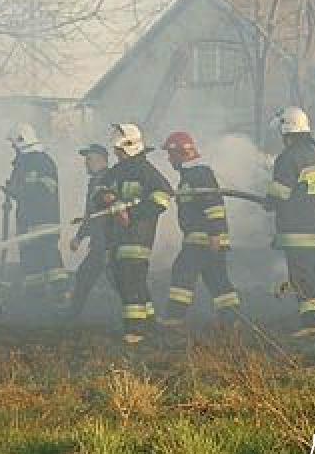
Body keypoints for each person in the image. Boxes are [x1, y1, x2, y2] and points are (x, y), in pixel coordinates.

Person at [95, 123, 172, 345]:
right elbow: (100, 191)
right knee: (128, 280)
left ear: (128, 146)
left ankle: (135, 330)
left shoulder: (145, 171)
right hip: (117, 237)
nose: (116, 155)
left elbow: (163, 197)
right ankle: (148, 321)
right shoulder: (116, 172)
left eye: (118, 151)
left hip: (138, 236)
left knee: (129, 279)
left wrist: (133, 214)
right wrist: (107, 197)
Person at [161, 131, 241, 327]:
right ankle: (231, 318)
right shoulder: (191, 175)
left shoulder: (199, 175)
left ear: (182, 154)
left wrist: (215, 234)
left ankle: (174, 317)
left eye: (171, 155)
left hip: (203, 238)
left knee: (182, 272)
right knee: (216, 278)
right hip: (205, 237)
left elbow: (213, 205)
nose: (169, 159)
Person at [264, 107, 315, 336]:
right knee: (313, 271)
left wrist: (269, 201)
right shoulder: (314, 155)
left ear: (286, 130)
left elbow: (281, 192)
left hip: (295, 226)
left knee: (301, 274)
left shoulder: (287, 158)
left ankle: (311, 324)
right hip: (313, 224)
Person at [3, 123, 69, 300]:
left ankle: (61, 292)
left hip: (43, 220)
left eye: (13, 144)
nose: (12, 147)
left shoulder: (42, 161)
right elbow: (22, 189)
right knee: (30, 260)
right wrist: (14, 192)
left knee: (49, 256)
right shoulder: (22, 164)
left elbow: (47, 189)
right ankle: (35, 297)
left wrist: (20, 191)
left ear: (21, 141)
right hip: (26, 221)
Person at [67, 143, 112, 318]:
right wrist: (79, 237)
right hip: (99, 242)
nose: (86, 163)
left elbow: (106, 213)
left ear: (102, 160)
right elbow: (91, 215)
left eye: (90, 159)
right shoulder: (95, 182)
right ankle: (72, 314)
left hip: (108, 242)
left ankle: (137, 316)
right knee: (84, 275)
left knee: (119, 281)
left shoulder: (108, 180)